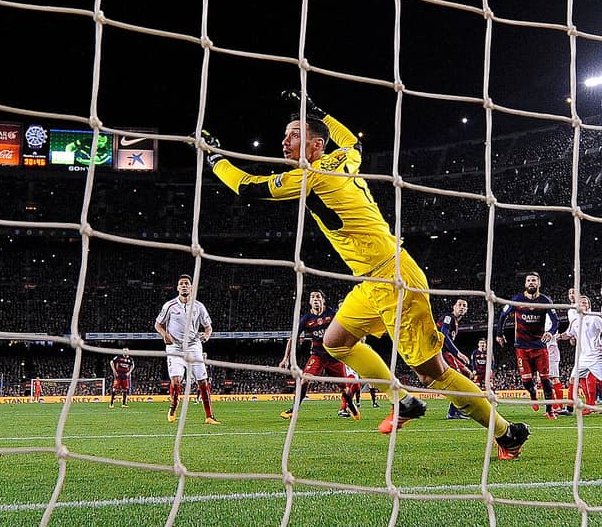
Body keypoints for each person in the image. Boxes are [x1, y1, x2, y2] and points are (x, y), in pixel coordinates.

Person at [202, 90, 528, 459]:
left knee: (431, 373)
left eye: (294, 134)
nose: (284, 140)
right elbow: (350, 141)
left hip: (395, 279)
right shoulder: (344, 159)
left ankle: (506, 432)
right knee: (335, 340)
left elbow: (248, 187)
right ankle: (402, 401)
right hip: (372, 280)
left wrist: (214, 158)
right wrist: (318, 109)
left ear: (315, 144)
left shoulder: (316, 177)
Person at [278, 289, 359, 419]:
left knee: (345, 390)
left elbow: (346, 328)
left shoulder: (332, 314)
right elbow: (292, 338)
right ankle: (294, 410)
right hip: (318, 356)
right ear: (310, 302)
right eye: (313, 297)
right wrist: (285, 358)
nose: (315, 299)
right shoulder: (306, 319)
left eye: (318, 297)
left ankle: (350, 404)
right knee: (304, 380)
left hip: (334, 356)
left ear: (323, 300)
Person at [155, 274, 219, 425]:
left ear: (191, 287)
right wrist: (164, 335)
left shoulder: (199, 306)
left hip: (193, 346)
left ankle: (209, 416)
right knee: (176, 381)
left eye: (187, 284)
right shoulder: (169, 306)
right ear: (178, 288)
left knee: (203, 382)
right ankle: (173, 407)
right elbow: (158, 324)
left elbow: (208, 327)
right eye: (181, 284)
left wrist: (207, 336)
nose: (184, 286)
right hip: (175, 347)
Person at [495, 273, 559, 418]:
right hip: (522, 347)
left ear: (539, 283)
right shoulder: (517, 300)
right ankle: (533, 393)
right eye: (529, 280)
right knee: (527, 381)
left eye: (534, 280)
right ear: (525, 284)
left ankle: (549, 410)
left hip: (540, 346)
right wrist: (499, 334)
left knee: (546, 379)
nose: (531, 283)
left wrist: (550, 332)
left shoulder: (545, 300)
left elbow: (556, 321)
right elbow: (503, 316)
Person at [564, 293, 602, 411]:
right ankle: (570, 408)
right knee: (573, 379)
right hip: (582, 358)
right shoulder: (575, 321)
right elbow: (568, 334)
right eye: (580, 303)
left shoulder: (595, 318)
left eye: (585, 302)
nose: (582, 304)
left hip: (596, 356)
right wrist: (555, 336)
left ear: (589, 306)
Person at [436, 297, 473, 419]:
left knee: (468, 374)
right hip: (441, 352)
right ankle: (454, 411)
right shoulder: (449, 318)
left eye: (464, 306)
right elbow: (443, 335)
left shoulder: (456, 322)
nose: (462, 307)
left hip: (448, 353)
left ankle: (454, 410)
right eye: (460, 305)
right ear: (454, 307)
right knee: (459, 378)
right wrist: (458, 353)